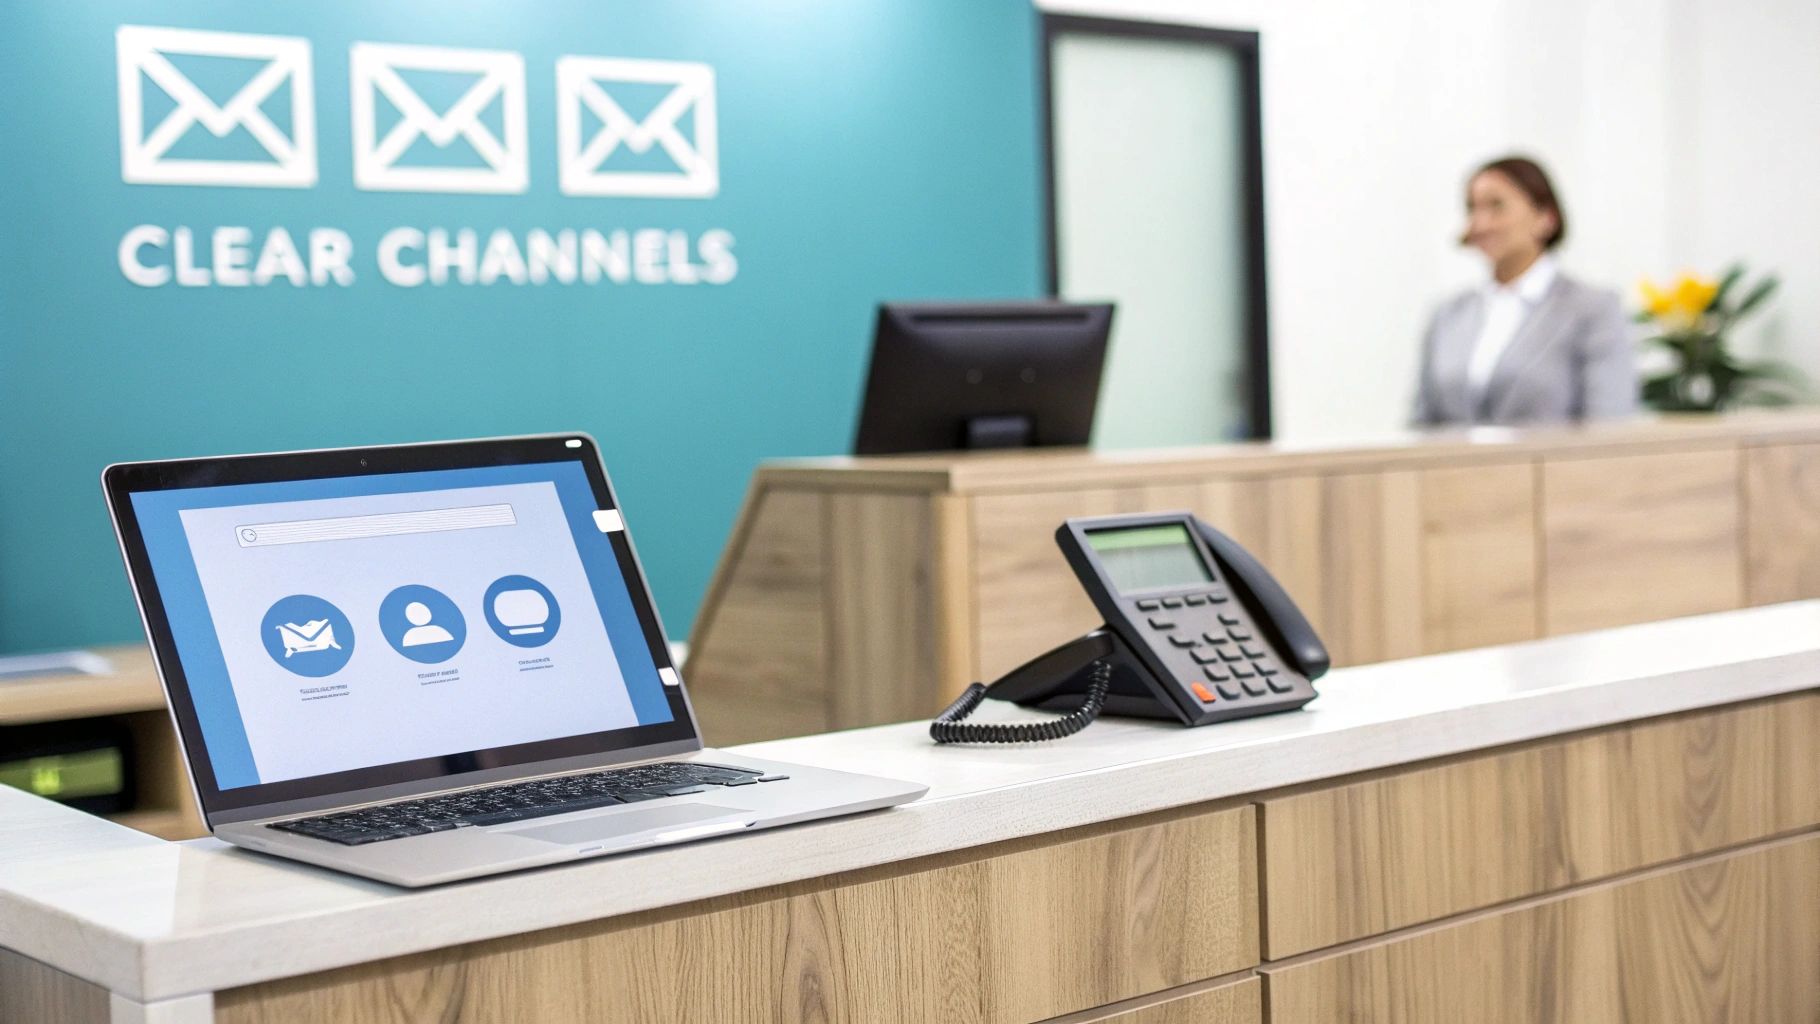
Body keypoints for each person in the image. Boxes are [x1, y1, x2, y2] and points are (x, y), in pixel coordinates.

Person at [1411, 156, 1636, 426]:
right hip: (1452, 469)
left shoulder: (1592, 310)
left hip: (1554, 468)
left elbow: (1607, 425)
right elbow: (1420, 424)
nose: (1480, 224)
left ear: (1546, 218)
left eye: (1497, 206)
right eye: (1473, 209)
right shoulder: (1448, 314)